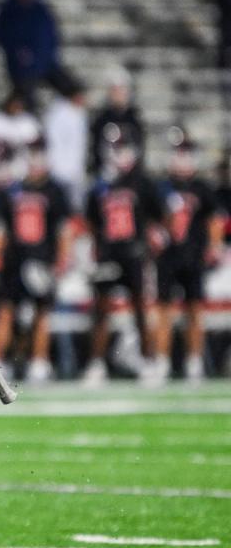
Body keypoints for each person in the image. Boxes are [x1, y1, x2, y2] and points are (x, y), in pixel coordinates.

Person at [83, 133, 164, 386]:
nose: (120, 153)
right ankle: (96, 363)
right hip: (109, 253)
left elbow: (158, 217)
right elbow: (91, 222)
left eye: (124, 146)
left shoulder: (142, 182)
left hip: (134, 253)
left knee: (140, 307)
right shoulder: (100, 184)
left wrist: (152, 243)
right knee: (102, 310)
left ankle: (149, 361)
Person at [0, 139, 72, 384]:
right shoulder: (13, 189)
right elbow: (1, 229)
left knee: (41, 312)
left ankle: (38, 362)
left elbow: (63, 228)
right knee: (6, 311)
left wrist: (61, 259)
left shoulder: (55, 190)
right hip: (15, 258)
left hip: (41, 259)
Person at [152, 130, 224, 383]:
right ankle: (161, 361)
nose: (182, 159)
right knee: (163, 310)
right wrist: (156, 233)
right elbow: (151, 220)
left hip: (193, 255)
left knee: (195, 309)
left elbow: (215, 219)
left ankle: (194, 361)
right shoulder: (161, 187)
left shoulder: (201, 188)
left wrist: (213, 247)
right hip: (168, 257)